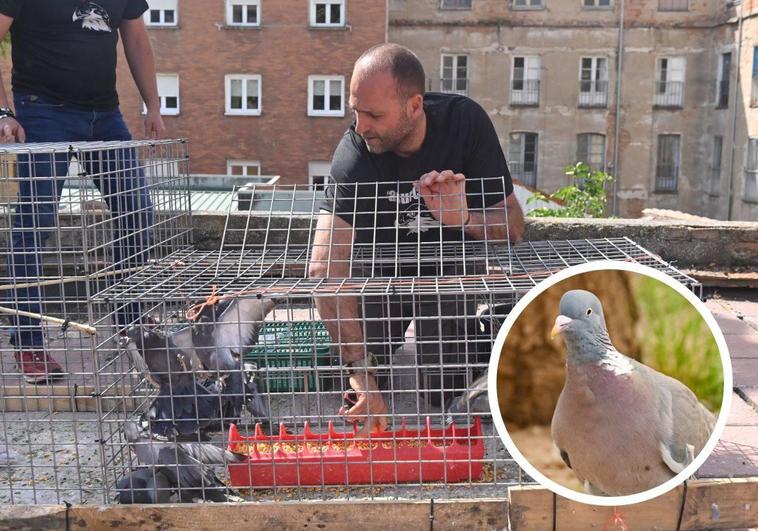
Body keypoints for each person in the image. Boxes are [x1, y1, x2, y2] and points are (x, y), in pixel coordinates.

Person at [308, 43, 524, 435]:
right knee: (357, 386)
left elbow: (513, 226)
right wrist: (360, 374)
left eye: (374, 115)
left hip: (448, 265)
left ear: (414, 106)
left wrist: (463, 217)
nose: (361, 126)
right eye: (356, 111)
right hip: (378, 266)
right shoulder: (356, 151)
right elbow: (324, 266)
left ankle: (483, 339)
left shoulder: (465, 123)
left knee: (446, 391)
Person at [0, 0, 166, 384]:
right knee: (35, 225)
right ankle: (28, 343)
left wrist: (153, 104)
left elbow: (137, 39)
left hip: (105, 114)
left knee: (136, 211)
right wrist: (4, 112)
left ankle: (131, 320)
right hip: (42, 111)